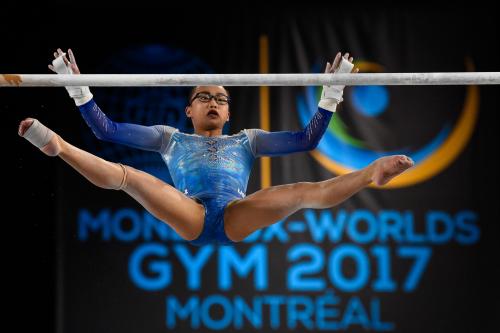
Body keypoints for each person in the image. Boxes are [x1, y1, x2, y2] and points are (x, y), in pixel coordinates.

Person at [19, 48, 414, 246]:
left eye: (221, 99)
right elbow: (107, 130)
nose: (213, 102)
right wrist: (77, 87)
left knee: (302, 193)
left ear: (229, 113)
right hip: (190, 213)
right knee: (130, 177)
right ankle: (60, 147)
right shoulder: (168, 138)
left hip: (234, 215)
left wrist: (331, 95)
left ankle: (371, 172)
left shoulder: (249, 140)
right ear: (188, 110)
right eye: (204, 97)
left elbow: (307, 139)